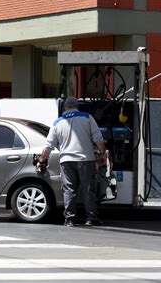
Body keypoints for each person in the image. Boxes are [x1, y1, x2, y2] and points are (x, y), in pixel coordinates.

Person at [36, 97, 106, 227]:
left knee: (69, 190)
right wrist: (103, 154)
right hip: (85, 160)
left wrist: (41, 160)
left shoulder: (58, 122)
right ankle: (91, 218)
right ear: (77, 106)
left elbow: (48, 146)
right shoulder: (87, 117)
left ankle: (69, 219)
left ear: (66, 107)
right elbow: (98, 138)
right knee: (88, 189)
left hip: (66, 161)